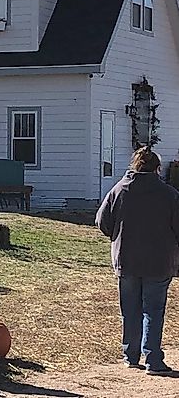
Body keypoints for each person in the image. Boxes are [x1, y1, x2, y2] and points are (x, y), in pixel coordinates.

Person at [96, 146, 179, 376]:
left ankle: (131, 356)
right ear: (157, 168)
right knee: (153, 309)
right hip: (159, 261)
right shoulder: (169, 194)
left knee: (130, 309)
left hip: (127, 260)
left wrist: (118, 236)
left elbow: (102, 220)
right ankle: (153, 359)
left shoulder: (119, 189)